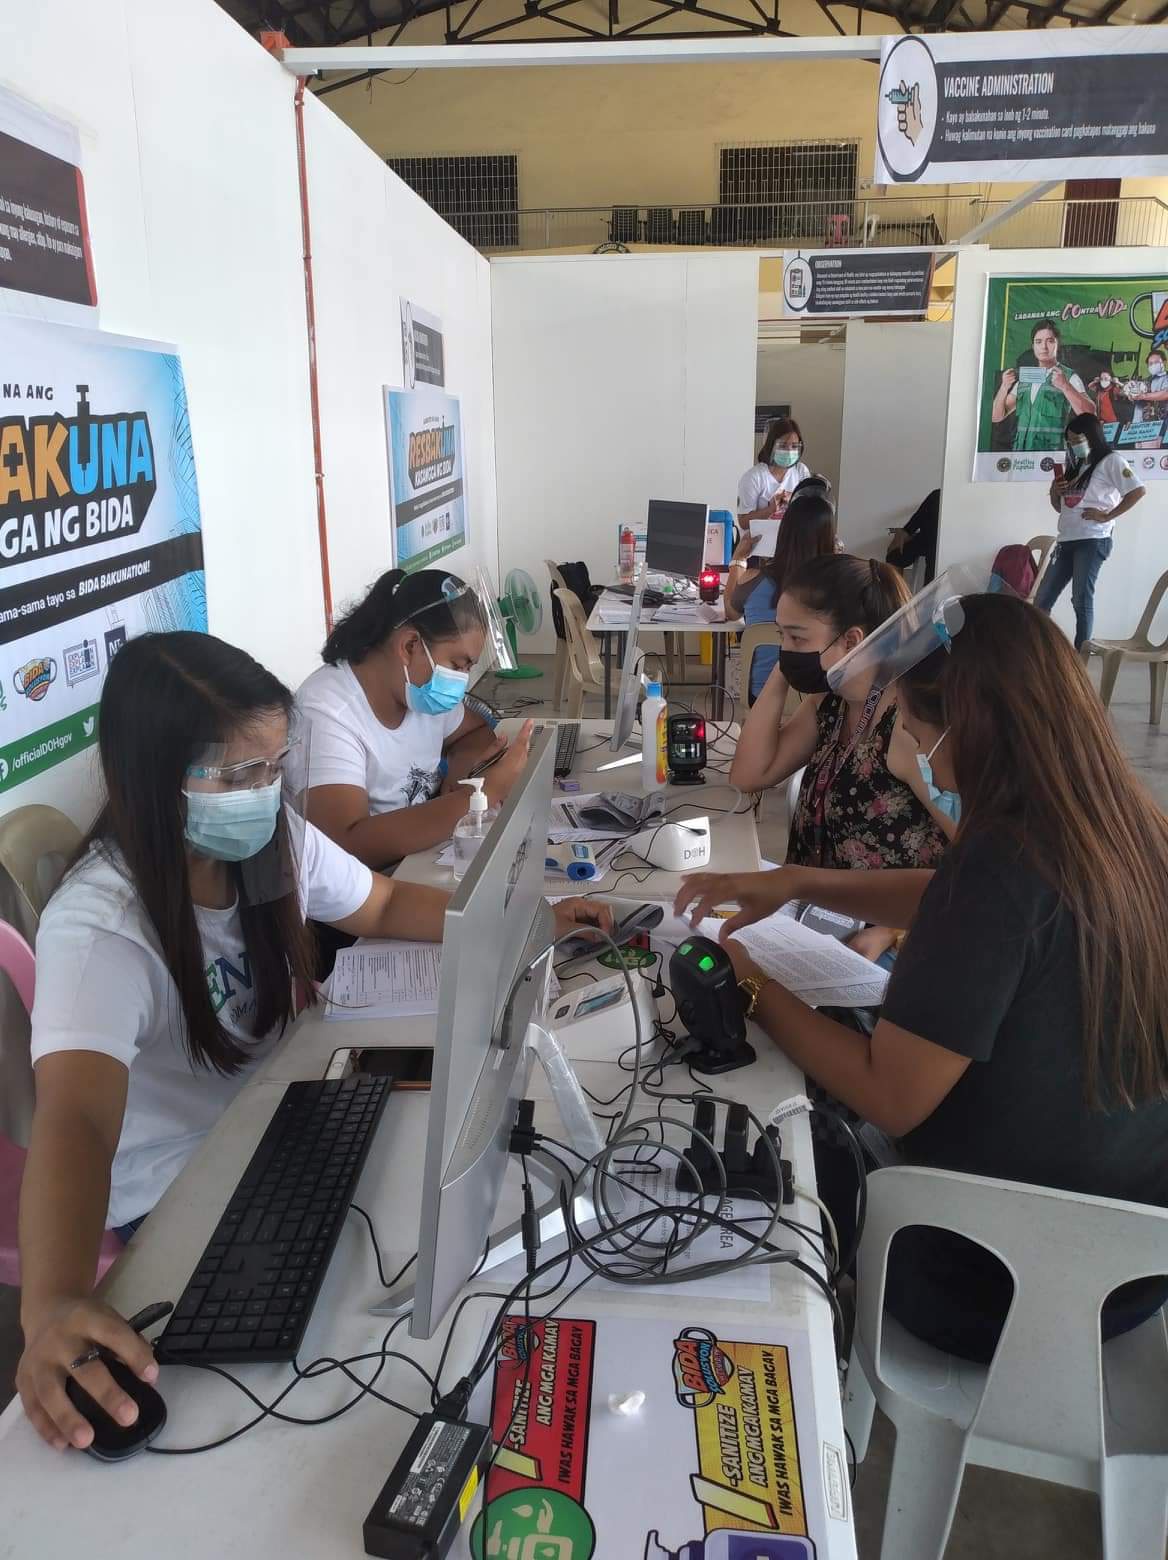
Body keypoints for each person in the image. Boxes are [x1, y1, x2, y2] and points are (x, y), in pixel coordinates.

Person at [15, 631, 610, 1453]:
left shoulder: (267, 844)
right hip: (183, 1184)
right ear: (147, 779)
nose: (267, 792)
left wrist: (520, 922)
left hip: (280, 1122)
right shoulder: (102, 924)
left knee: (436, 1247)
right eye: (241, 774)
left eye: (274, 766)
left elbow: (382, 907)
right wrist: (49, 1306)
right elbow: (75, 1120)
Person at [678, 590, 1168, 1364]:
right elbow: (957, 899)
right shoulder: (1122, 823)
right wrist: (799, 880)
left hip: (991, 1279)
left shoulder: (1001, 867)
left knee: (756, 1162)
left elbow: (891, 1098)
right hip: (1128, 1260)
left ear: (964, 733)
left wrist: (751, 984)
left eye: (909, 724)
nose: (901, 739)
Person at [731, 555, 951, 965]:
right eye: (782, 636)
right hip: (813, 916)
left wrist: (892, 930)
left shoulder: (906, 725)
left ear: (852, 641)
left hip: (875, 937)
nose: (786, 650)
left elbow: (979, 854)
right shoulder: (830, 702)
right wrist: (786, 670)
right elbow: (749, 775)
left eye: (797, 638)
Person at [296, 569, 533, 868]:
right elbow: (346, 844)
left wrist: (464, 778)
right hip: (371, 886)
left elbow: (472, 733)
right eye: (458, 665)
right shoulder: (327, 712)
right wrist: (480, 795)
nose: (461, 680)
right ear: (410, 646)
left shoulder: (419, 694)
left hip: (421, 861)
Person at [1036, 412, 1146, 650]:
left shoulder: (1111, 460)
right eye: (1070, 442)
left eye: (1077, 440)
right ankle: (1041, 653)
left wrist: (1107, 516)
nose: (1073, 446)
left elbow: (1137, 491)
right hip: (1066, 539)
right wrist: (1055, 490)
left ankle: (1080, 656)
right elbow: (1060, 507)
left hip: (1092, 540)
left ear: (1091, 436)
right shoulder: (1075, 465)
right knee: (1042, 600)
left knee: (1081, 599)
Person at [723, 492, 837, 703]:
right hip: (815, 699)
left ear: (782, 533)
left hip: (759, 695)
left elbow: (730, 611)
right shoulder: (835, 585)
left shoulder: (754, 579)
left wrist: (738, 559)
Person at [991, 319, 1094, 451]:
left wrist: (1065, 386)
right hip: (1022, 459)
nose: (1044, 347)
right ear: (1033, 346)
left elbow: (1090, 414)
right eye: (1038, 342)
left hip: (1050, 459)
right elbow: (996, 416)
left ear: (1058, 344)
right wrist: (1004, 387)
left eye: (1050, 341)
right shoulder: (1026, 377)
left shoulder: (1068, 376)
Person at [736, 417, 811, 532]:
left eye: (794, 446)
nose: (789, 451)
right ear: (772, 445)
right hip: (760, 545)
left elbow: (808, 508)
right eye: (783, 445)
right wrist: (770, 509)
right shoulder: (754, 477)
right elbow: (743, 522)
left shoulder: (801, 471)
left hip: (791, 542)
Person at [886, 488, 939, 586]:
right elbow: (917, 518)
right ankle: (898, 594)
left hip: (938, 544)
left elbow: (916, 521)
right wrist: (905, 532)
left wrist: (906, 532)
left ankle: (927, 594)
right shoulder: (937, 495)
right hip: (926, 539)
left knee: (933, 554)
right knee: (894, 554)